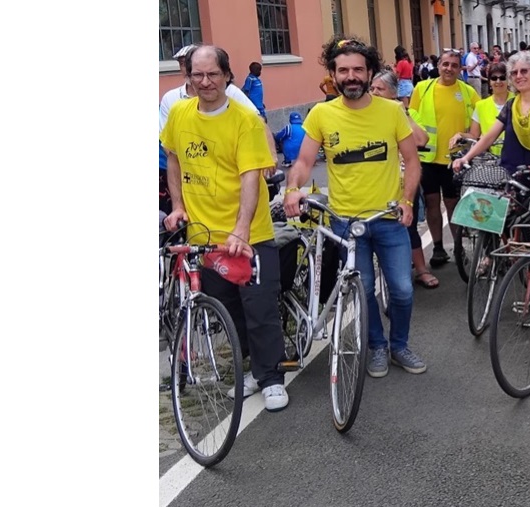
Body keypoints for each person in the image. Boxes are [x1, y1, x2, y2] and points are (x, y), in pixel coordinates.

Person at [284, 37, 426, 378]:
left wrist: (407, 201)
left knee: (403, 290)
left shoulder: (392, 111)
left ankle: (400, 345)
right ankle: (377, 346)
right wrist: (293, 189)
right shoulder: (321, 113)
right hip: (346, 222)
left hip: (389, 217)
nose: (351, 76)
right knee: (362, 291)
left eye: (358, 70)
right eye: (343, 70)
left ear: (370, 73)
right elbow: (304, 161)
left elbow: (411, 159)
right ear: (333, 74)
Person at [161, 45, 290, 411]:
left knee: (259, 307)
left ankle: (272, 378)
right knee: (228, 309)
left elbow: (251, 177)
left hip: (249, 236)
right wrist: (178, 206)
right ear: (188, 78)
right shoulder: (180, 114)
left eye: (212, 74)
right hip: (203, 237)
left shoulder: (244, 121)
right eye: (197, 75)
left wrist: (241, 229)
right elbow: (173, 159)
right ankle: (255, 370)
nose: (205, 82)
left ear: (227, 76)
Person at [409, 49, 481, 267]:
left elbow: (480, 123)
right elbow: (411, 120)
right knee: (432, 202)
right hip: (428, 159)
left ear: (460, 69)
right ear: (438, 66)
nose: (449, 68)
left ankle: (458, 247)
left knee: (453, 204)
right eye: (445, 64)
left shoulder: (468, 92)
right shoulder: (423, 88)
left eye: (454, 65)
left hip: (455, 160)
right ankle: (438, 248)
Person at [160, 44, 278, 174]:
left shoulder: (229, 92)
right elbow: (169, 144)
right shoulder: (171, 99)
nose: (205, 81)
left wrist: (271, 154)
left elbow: (257, 120)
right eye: (182, 63)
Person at [371, 70, 438, 290]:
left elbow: (421, 139)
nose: (374, 92)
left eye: (379, 89)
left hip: (403, 180)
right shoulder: (367, 113)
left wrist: (402, 112)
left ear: (393, 92)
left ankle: (421, 269)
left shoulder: (404, 112)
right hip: (375, 180)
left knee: (407, 227)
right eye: (372, 88)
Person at [453, 51, 530, 177]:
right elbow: (489, 137)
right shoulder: (510, 106)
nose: (518, 76)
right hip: (509, 177)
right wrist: (466, 157)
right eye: (514, 73)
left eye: (524, 71)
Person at [462, 62, 511, 157]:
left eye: (502, 78)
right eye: (494, 78)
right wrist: (460, 135)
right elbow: (474, 135)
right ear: (489, 82)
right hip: (490, 160)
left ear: (508, 81)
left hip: (514, 158)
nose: (498, 81)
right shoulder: (481, 105)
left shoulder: (518, 101)